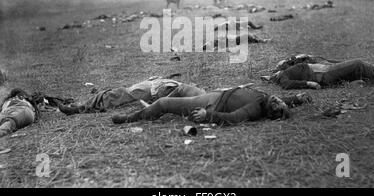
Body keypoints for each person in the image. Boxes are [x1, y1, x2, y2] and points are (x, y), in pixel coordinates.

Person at [112, 86, 312, 125]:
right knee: (183, 87)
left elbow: (233, 118)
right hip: (215, 93)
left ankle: (130, 118)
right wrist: (297, 98)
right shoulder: (268, 99)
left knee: (164, 103)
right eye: (279, 101)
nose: (277, 100)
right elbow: (283, 102)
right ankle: (151, 107)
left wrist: (208, 116)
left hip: (211, 103)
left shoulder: (256, 108)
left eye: (277, 105)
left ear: (270, 111)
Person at [58, 77, 206, 115]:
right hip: (157, 87)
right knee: (118, 94)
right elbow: (181, 89)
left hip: (155, 89)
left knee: (117, 95)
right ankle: (80, 107)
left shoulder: (203, 102)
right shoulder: (202, 97)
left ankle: (79, 108)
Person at [261, 59, 374, 90]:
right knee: (357, 63)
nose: (276, 70)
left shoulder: (285, 71)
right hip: (323, 73)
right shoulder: (282, 77)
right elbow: (286, 85)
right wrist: (308, 83)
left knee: (353, 69)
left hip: (324, 71)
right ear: (272, 78)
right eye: (272, 74)